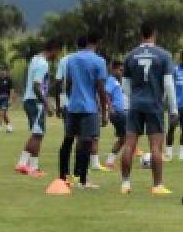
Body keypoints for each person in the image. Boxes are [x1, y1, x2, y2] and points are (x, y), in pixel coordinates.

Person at [119, 21, 178, 196]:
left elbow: (125, 86)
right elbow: (168, 84)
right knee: (156, 147)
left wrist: (132, 102)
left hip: (135, 104)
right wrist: (173, 109)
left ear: (141, 34)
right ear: (154, 33)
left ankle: (125, 183)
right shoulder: (164, 55)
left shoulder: (130, 56)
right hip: (154, 105)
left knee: (129, 145)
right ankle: (157, 185)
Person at [59, 32, 108, 189]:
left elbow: (68, 84)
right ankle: (82, 180)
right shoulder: (99, 61)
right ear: (97, 43)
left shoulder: (71, 59)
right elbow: (101, 88)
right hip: (89, 107)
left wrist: (70, 99)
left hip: (73, 105)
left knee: (68, 140)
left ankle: (63, 177)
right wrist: (105, 112)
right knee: (86, 142)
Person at [15, 41, 60, 177]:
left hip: (30, 100)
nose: (57, 55)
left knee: (38, 133)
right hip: (35, 102)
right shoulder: (43, 64)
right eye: (58, 51)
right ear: (54, 49)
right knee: (37, 134)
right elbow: (36, 86)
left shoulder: (35, 59)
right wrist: (47, 104)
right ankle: (25, 164)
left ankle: (30, 165)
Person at [101, 60, 125, 171]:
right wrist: (110, 108)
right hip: (117, 112)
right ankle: (112, 161)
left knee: (123, 138)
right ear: (114, 69)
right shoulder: (111, 80)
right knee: (126, 137)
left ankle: (110, 161)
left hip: (120, 112)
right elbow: (106, 94)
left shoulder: (116, 81)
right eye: (120, 70)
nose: (122, 71)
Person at [0, 68, 14, 134]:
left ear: (6, 71)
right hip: (0, 98)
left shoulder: (9, 79)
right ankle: (9, 128)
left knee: (1, 113)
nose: (2, 72)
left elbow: (11, 90)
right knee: (4, 114)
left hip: (6, 98)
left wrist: (10, 99)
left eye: (4, 71)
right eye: (1, 71)